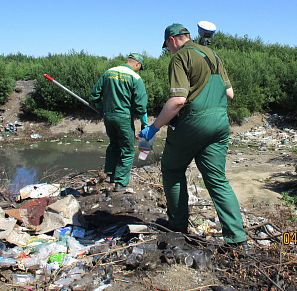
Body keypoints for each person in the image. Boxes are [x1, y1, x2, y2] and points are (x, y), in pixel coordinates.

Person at [139, 23, 248, 251]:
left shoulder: (180, 58)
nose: (169, 51)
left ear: (172, 40)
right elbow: (230, 94)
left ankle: (177, 229)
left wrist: (155, 127)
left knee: (171, 169)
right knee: (217, 179)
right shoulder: (214, 55)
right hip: (220, 123)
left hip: (194, 122)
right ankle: (237, 240)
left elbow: (178, 101)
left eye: (168, 47)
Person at [91, 53, 148, 192]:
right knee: (128, 150)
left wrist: (100, 107)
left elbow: (95, 94)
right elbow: (141, 105)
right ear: (137, 64)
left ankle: (110, 175)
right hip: (124, 118)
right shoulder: (135, 78)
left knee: (114, 144)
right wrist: (144, 124)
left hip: (108, 116)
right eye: (139, 67)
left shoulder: (109, 72)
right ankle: (121, 184)